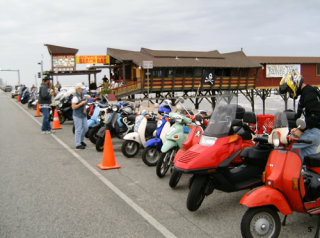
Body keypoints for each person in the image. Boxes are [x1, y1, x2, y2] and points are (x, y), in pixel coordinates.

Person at [279, 71, 320, 159]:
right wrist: (296, 128)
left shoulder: (310, 95)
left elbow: (316, 116)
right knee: (305, 159)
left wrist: (302, 130)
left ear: (294, 84)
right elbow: (300, 115)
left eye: (289, 90)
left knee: (283, 146)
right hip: (313, 131)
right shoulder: (306, 93)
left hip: (313, 131)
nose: (289, 93)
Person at [72, 83, 89, 149]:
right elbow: (73, 107)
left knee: (85, 128)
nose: (82, 89)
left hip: (83, 114)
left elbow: (84, 103)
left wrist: (86, 101)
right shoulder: (75, 97)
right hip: (77, 115)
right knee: (78, 129)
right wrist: (81, 104)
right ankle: (78, 144)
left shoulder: (82, 96)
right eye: (81, 88)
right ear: (78, 89)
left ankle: (81, 140)